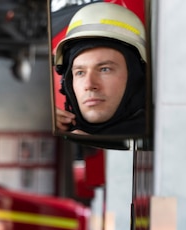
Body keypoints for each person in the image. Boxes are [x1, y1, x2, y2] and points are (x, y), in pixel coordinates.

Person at [53, 2, 147, 136]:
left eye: (105, 69)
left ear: (136, 76)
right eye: (80, 72)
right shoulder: (61, 137)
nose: (89, 85)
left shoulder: (163, 136)